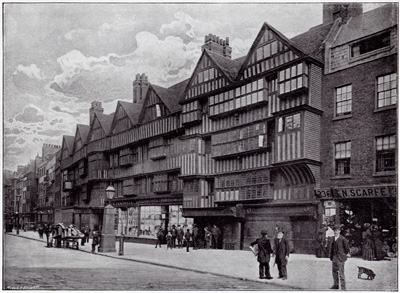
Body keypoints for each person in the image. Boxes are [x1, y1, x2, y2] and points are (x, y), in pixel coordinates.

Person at [327, 224, 349, 290]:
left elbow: (347, 248)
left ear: (339, 231)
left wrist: (343, 254)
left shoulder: (343, 239)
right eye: (334, 230)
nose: (335, 232)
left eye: (336, 230)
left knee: (341, 273)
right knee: (334, 272)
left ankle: (343, 288)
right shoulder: (332, 238)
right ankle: (336, 285)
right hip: (334, 257)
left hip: (340, 258)